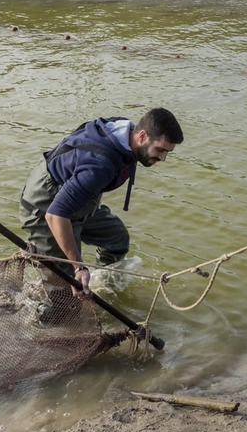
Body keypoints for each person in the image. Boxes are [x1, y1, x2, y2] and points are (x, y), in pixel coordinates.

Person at [19, 109, 183, 297]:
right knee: (64, 296)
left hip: (77, 200)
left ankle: (102, 288)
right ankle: (48, 269)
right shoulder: (100, 166)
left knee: (117, 239)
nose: (163, 158)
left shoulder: (125, 131)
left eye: (167, 152)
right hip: (44, 208)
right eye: (160, 150)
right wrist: (78, 267)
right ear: (142, 136)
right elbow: (55, 215)